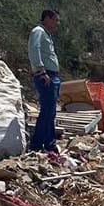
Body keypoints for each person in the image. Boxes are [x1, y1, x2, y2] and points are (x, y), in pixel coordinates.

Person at [28, 9, 61, 152]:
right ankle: (36, 144)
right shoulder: (38, 31)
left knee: (51, 111)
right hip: (45, 75)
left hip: (52, 75)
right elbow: (34, 50)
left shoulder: (47, 34)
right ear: (47, 18)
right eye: (55, 20)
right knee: (47, 111)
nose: (56, 23)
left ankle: (49, 143)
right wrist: (42, 72)